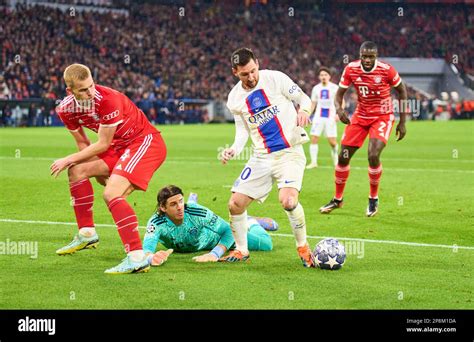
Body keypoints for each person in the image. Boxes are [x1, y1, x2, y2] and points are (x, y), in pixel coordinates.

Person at [51, 63, 167, 274]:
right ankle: (87, 234)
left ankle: (137, 257)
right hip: (118, 148)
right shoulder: (65, 109)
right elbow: (84, 146)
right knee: (77, 171)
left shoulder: (108, 100)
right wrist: (89, 168)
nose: (90, 92)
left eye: (92, 85)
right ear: (70, 91)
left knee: (111, 192)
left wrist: (67, 159)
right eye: (83, 89)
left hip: (143, 143)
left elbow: (103, 144)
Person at [220, 47, 314, 267]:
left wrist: (304, 111)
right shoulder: (234, 98)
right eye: (245, 74)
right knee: (234, 204)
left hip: (289, 152)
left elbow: (304, 99)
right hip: (261, 157)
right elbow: (242, 130)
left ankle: (302, 247)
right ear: (235, 72)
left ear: (258, 63)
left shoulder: (275, 78)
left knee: (288, 201)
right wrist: (233, 148)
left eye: (253, 70)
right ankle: (242, 250)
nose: (251, 77)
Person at [319, 41, 407, 217]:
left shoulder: (386, 70)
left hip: (383, 116)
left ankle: (373, 198)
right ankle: (337, 199)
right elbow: (339, 94)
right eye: (364, 56)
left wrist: (402, 121)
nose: (367, 60)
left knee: (373, 155)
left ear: (376, 56)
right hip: (360, 116)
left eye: (371, 57)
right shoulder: (351, 69)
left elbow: (402, 91)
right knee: (343, 157)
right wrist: (339, 109)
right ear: (360, 56)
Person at [142, 185, 276, 266]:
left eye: (181, 202)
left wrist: (215, 254)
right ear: (162, 208)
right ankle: (192, 199)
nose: (179, 207)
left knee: (266, 244)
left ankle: (251, 222)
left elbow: (228, 230)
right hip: (196, 241)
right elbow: (147, 248)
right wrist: (151, 258)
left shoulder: (197, 213)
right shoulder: (156, 223)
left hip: (218, 239)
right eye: (173, 204)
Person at [307, 67, 341, 169]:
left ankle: (336, 161)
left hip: (330, 116)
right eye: (321, 75)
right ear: (319, 77)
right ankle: (313, 162)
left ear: (329, 76)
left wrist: (339, 113)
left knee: (332, 142)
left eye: (325, 75)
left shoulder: (335, 88)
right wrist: (308, 115)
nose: (323, 77)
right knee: (313, 138)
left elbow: (341, 101)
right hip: (318, 116)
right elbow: (313, 103)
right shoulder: (316, 88)